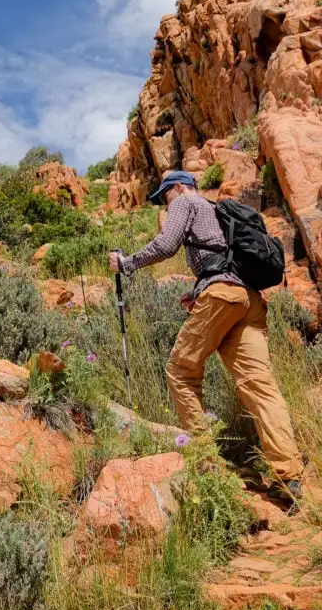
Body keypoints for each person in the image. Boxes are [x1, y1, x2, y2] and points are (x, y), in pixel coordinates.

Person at [109, 170, 306, 501]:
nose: (165, 204)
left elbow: (166, 244)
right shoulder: (218, 211)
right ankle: (290, 474)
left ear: (181, 187)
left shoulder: (185, 200)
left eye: (165, 195)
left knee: (180, 372)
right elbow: (221, 262)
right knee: (260, 386)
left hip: (222, 295)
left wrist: (126, 263)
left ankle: (207, 465)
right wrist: (198, 290)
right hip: (249, 301)